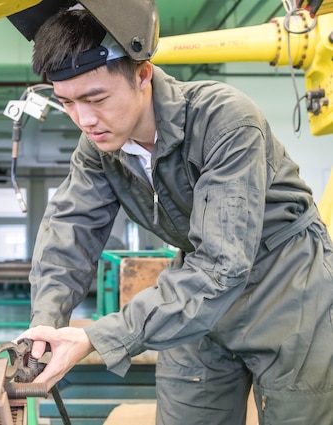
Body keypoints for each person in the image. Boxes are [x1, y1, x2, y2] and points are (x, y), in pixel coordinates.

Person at [17, 3, 333, 424]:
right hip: (194, 291)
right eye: (67, 103)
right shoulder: (98, 150)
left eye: (96, 98)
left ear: (143, 75)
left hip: (288, 284)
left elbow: (223, 265)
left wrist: (97, 337)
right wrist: (45, 328)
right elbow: (68, 233)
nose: (84, 120)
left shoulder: (226, 120)